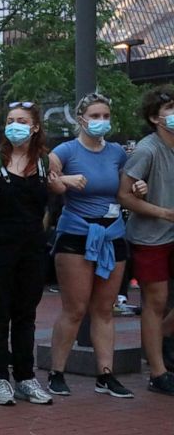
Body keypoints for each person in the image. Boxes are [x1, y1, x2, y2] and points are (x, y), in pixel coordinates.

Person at [47, 93, 133, 398]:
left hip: (112, 234)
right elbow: (49, 178)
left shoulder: (117, 153)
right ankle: (57, 372)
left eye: (105, 116)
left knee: (104, 309)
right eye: (95, 116)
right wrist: (66, 180)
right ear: (81, 119)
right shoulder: (66, 150)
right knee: (75, 308)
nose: (101, 121)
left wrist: (140, 186)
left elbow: (126, 187)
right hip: (77, 234)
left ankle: (105, 374)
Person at [0, 101, 55, 405]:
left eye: (22, 120)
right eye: (10, 120)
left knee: (26, 313)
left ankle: (25, 377)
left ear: (35, 127)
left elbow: (54, 196)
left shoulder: (46, 161)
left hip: (33, 248)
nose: (15, 125)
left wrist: (63, 185)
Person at [116, 86, 174, 395]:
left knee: (161, 306)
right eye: (170, 110)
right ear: (154, 118)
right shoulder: (147, 150)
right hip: (150, 236)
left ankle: (156, 340)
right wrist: (163, 213)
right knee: (156, 301)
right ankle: (157, 372)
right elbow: (124, 195)